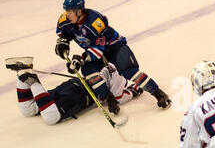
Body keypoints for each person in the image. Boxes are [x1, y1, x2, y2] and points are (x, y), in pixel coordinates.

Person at [54, 0, 171, 110]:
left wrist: (82, 58)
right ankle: (110, 99)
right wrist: (63, 41)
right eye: (66, 11)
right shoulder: (65, 19)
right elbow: (63, 32)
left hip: (114, 46)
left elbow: (98, 50)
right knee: (88, 70)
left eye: (70, 12)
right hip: (93, 49)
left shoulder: (95, 22)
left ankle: (158, 93)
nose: (67, 15)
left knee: (129, 71)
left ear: (79, 11)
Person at [5, 57, 141, 125]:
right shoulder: (115, 72)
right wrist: (134, 90)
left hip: (70, 85)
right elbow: (120, 97)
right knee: (51, 117)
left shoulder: (99, 59)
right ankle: (30, 78)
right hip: (78, 95)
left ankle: (22, 75)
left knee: (28, 110)